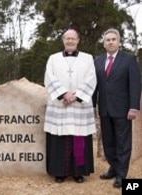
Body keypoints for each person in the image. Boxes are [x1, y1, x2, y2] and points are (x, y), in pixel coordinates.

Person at [44, 28, 97, 184]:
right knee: (59, 139)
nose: (70, 41)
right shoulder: (53, 58)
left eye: (73, 38)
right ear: (63, 40)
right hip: (60, 105)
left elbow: (91, 79)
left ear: (78, 40)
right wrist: (63, 94)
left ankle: (78, 172)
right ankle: (59, 172)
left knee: (78, 138)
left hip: (79, 106)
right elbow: (49, 77)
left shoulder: (88, 58)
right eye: (67, 38)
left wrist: (77, 96)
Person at [93, 28, 141, 188]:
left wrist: (134, 107)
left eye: (114, 39)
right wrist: (92, 105)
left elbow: (135, 84)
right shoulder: (97, 61)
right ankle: (113, 168)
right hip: (105, 109)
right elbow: (94, 86)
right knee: (108, 142)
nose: (111, 42)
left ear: (119, 42)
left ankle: (122, 174)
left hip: (123, 109)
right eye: (108, 40)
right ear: (104, 43)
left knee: (123, 143)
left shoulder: (129, 59)